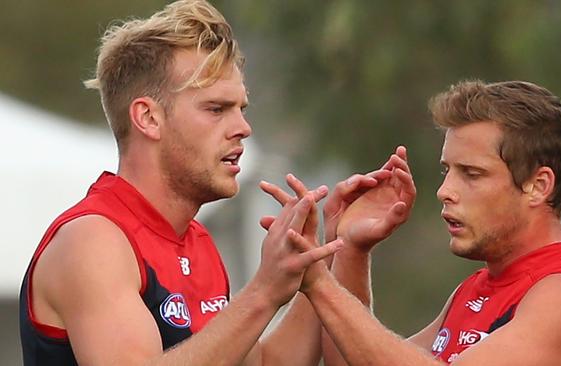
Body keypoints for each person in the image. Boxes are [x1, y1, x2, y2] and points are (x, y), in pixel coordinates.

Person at [18, 1, 345, 365]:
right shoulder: (94, 241)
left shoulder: (195, 240)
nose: (243, 128)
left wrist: (334, 252)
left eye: (242, 109)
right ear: (148, 118)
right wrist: (263, 294)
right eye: (216, 109)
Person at [281, 80, 561, 365]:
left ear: (538, 186)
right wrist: (351, 250)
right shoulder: (474, 290)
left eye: (472, 174)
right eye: (447, 171)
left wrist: (320, 284)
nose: (444, 191)